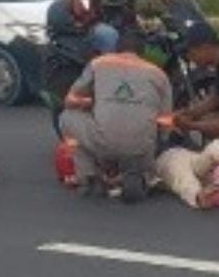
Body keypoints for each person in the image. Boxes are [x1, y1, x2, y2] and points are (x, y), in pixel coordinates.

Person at [59, 29, 173, 203]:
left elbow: (70, 100)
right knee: (139, 142)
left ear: (116, 48)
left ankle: (89, 176)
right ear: (142, 51)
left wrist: (93, 103)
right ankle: (140, 173)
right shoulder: (159, 74)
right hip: (142, 147)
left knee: (66, 118)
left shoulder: (98, 64)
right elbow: (166, 123)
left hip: (103, 141)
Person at [156, 141, 219, 210]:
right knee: (181, 173)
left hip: (186, 153)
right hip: (160, 160)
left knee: (211, 152)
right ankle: (199, 196)